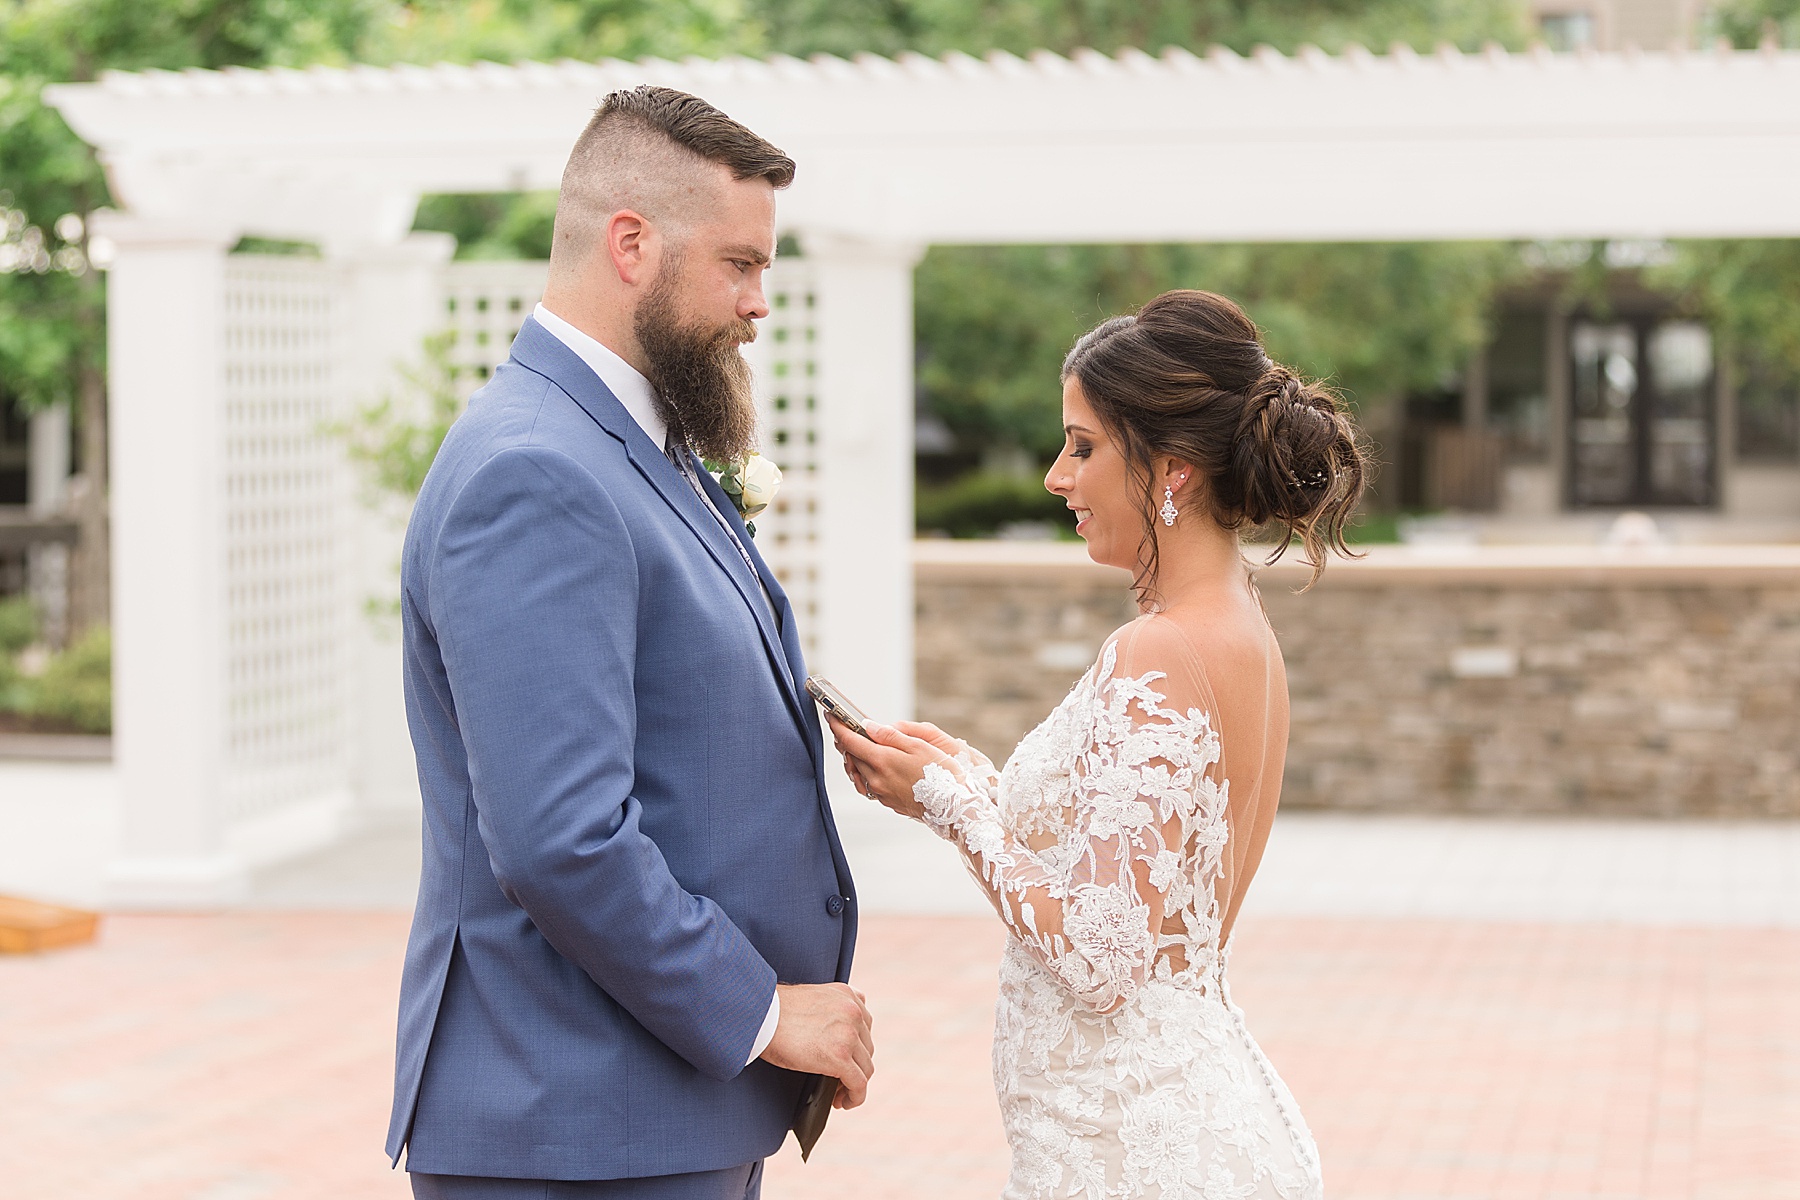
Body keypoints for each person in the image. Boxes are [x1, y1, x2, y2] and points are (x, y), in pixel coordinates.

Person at [386, 85, 872, 1200]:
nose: (760, 303)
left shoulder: (634, 444)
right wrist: (760, 1012)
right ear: (632, 243)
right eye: (740, 265)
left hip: (655, 1113)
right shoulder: (535, 470)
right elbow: (561, 837)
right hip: (574, 1123)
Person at [833, 290, 1366, 1199]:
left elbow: (1103, 956)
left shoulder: (1160, 652)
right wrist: (967, 779)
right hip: (1162, 1117)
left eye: (1082, 446)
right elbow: (1133, 889)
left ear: (1172, 470)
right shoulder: (1235, 632)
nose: (1055, 476)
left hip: (1133, 1149)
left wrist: (950, 805)